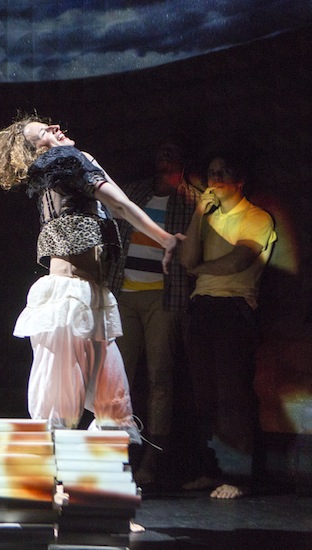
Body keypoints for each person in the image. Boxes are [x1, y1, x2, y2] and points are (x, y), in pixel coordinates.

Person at [0, 115, 182, 442]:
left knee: (111, 404)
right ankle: (51, 482)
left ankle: (99, 484)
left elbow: (117, 197)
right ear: (32, 150)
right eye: (42, 133)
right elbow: (121, 205)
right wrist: (165, 239)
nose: (53, 129)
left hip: (92, 297)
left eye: (50, 125)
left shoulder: (73, 161)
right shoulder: (61, 159)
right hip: (68, 299)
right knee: (61, 407)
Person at [106, 136, 203, 486]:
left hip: (164, 298)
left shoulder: (193, 200)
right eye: (161, 150)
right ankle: (115, 455)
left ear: (183, 161)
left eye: (173, 151)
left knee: (160, 379)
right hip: (125, 295)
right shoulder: (136, 192)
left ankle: (151, 462)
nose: (165, 156)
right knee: (119, 380)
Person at [180, 152, 276, 499]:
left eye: (223, 172)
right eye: (211, 173)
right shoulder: (208, 219)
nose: (215, 179)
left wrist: (199, 270)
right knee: (203, 393)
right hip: (202, 307)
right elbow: (187, 258)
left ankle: (239, 475)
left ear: (240, 180)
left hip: (235, 307)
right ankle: (211, 470)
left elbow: (239, 260)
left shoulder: (256, 216)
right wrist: (197, 214)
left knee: (232, 393)